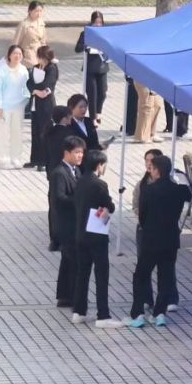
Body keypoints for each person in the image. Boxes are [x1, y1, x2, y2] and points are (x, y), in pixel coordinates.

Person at [130, 151, 188, 326]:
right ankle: (160, 313)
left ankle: (138, 313)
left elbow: (142, 215)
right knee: (166, 277)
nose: (151, 171)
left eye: (153, 168)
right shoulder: (179, 190)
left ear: (158, 171)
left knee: (141, 275)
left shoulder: (148, 190)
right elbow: (190, 192)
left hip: (150, 239)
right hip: (170, 239)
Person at [69, 149, 121, 326]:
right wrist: (108, 205)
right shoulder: (99, 184)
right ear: (99, 165)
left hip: (80, 234)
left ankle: (79, 311)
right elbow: (109, 206)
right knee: (101, 275)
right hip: (96, 236)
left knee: (82, 274)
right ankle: (103, 315)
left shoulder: (80, 181)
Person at [48, 136, 86, 306]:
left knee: (69, 261)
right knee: (72, 261)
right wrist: (79, 201)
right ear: (67, 153)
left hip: (75, 224)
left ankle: (65, 295)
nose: (80, 156)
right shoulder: (59, 173)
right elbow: (58, 198)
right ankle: (70, 296)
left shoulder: (76, 171)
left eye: (81, 152)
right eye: (77, 152)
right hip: (66, 225)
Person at [0, 45, 28, 168]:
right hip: (4, 107)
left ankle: (15, 158)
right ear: (9, 55)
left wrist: (26, 101)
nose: (17, 56)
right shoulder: (2, 71)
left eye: (20, 54)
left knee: (17, 133)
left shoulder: (24, 70)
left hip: (19, 106)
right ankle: (3, 159)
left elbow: (27, 88)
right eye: (15, 53)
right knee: (3, 133)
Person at [25, 43, 59, 170]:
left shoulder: (52, 68)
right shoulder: (36, 67)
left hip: (46, 104)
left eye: (42, 56)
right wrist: (35, 91)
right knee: (35, 132)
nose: (40, 59)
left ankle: (44, 161)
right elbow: (29, 82)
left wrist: (38, 89)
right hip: (35, 103)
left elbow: (47, 84)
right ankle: (35, 159)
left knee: (44, 132)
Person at [74, 12, 109, 126]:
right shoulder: (86, 33)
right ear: (92, 22)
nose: (98, 25)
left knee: (102, 93)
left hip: (102, 67)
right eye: (96, 22)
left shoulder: (105, 33)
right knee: (92, 94)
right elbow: (77, 48)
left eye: (100, 22)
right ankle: (93, 118)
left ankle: (98, 113)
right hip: (90, 68)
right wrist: (86, 46)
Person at [13, 0, 47, 66]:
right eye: (36, 11)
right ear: (30, 11)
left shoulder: (41, 23)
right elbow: (16, 42)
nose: (39, 14)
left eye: (41, 11)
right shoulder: (24, 25)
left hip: (39, 53)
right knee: (33, 67)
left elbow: (43, 41)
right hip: (28, 55)